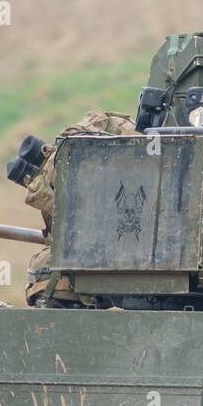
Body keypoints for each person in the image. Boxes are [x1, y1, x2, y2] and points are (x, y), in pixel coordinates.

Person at [21, 109, 136, 305]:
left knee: (43, 268)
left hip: (124, 252)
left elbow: (86, 228)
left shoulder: (63, 168)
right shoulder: (71, 159)